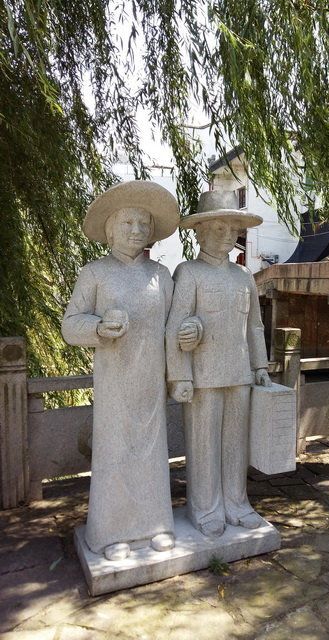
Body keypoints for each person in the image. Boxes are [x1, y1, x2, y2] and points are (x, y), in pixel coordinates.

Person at [62, 180, 190, 561]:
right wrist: (99, 327)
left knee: (152, 454)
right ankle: (113, 531)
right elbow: (70, 325)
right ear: (110, 229)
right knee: (116, 453)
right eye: (127, 223)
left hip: (151, 382)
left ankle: (155, 525)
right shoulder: (95, 273)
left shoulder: (161, 276)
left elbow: (174, 327)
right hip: (114, 383)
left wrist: (190, 337)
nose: (136, 230)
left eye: (143, 223)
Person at [166, 190, 272, 538]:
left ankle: (237, 503)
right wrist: (180, 375)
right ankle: (206, 507)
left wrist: (260, 366)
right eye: (219, 228)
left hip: (239, 372)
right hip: (204, 375)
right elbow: (175, 327)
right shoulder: (188, 273)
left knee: (235, 443)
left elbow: (255, 326)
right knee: (204, 443)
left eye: (233, 229)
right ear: (200, 232)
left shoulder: (244, 276)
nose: (228, 235)